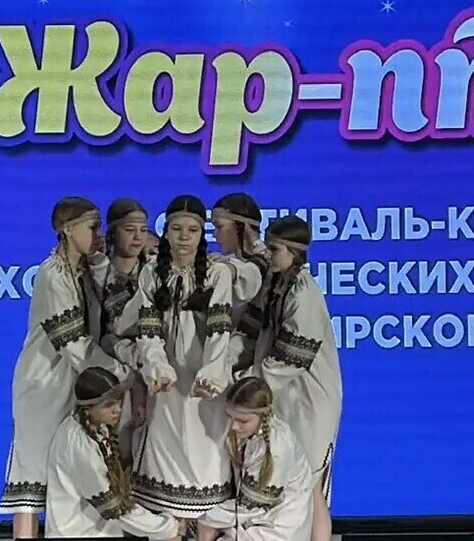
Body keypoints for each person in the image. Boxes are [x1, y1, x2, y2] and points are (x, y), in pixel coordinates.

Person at [0, 197, 128, 538]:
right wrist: (119, 372)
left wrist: (99, 260)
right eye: (92, 227)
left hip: (74, 382)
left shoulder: (83, 270)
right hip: (44, 384)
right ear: (69, 230)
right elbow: (72, 343)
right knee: (32, 471)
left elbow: (111, 304)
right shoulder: (52, 274)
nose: (98, 235)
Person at [132, 195, 237, 519]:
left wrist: (212, 375)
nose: (184, 237)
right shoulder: (151, 273)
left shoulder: (217, 274)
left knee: (206, 457)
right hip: (167, 383)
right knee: (166, 456)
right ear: (166, 231)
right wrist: (157, 367)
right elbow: (148, 330)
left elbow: (220, 330)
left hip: (203, 384)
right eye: (177, 229)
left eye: (192, 230)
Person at [238, 216, 341, 541]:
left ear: (294, 252)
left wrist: (245, 379)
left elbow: (290, 360)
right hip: (284, 398)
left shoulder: (303, 293)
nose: (268, 255)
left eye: (274, 249)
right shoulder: (276, 282)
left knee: (310, 484)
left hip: (308, 400)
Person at [45, 367, 187, 539]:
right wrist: (167, 526)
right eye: (108, 405)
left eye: (119, 401)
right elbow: (113, 508)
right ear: (88, 408)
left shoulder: (95, 427)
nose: (118, 409)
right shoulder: (79, 445)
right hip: (77, 533)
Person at [195, 377, 313, 541]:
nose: (234, 426)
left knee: (206, 523)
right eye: (230, 417)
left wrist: (206, 518)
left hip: (277, 527)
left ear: (263, 416)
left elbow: (251, 507)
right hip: (254, 520)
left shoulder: (277, 448)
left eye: (242, 421)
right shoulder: (250, 434)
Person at [99, 198, 153, 461]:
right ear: (113, 232)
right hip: (112, 377)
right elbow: (109, 331)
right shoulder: (98, 274)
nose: (138, 237)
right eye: (130, 230)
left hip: (153, 374)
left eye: (143, 230)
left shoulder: (155, 272)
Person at [210, 193, 271, 375]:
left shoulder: (271, 266)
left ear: (241, 226)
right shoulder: (223, 263)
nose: (214, 234)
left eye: (219, 226)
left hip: (255, 370)